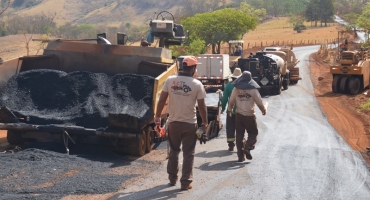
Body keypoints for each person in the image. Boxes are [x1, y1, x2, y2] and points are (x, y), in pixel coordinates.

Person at [154, 56, 208, 190]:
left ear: (183, 67)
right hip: (190, 124)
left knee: (173, 151)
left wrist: (157, 117)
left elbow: (161, 101)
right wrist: (205, 123)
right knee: (188, 153)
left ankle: (172, 179)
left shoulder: (170, 80)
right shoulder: (197, 84)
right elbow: (202, 106)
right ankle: (185, 182)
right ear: (193, 68)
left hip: (173, 123)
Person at [227, 71, 266, 162]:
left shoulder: (236, 89)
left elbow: (231, 101)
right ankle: (248, 148)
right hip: (250, 116)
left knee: (239, 135)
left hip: (239, 115)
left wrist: (230, 110)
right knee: (253, 133)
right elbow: (259, 102)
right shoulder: (253, 90)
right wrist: (263, 110)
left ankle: (240, 156)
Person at [221, 68, 242, 151]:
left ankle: (231, 145)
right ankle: (240, 145)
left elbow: (225, 99)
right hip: (240, 112)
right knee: (240, 129)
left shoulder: (229, 86)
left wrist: (222, 108)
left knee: (230, 128)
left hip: (230, 112)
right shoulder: (243, 86)